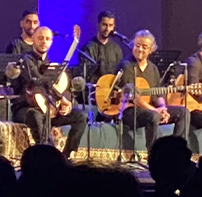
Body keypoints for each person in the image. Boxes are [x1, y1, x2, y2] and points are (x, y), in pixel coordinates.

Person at [12, 26, 88, 157]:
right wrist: (60, 98)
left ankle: (66, 155)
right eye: (40, 38)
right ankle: (46, 155)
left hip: (49, 109)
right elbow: (38, 81)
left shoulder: (52, 65)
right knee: (35, 115)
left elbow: (62, 87)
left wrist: (66, 102)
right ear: (33, 40)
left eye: (47, 39)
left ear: (51, 42)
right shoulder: (26, 60)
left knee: (81, 117)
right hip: (27, 108)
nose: (44, 42)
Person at [117, 30, 186, 160]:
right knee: (153, 116)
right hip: (130, 111)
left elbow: (157, 93)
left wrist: (163, 108)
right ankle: (153, 156)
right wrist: (156, 110)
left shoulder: (153, 68)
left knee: (184, 112)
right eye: (137, 45)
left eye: (144, 47)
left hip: (150, 109)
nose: (140, 49)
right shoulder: (126, 65)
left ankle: (176, 153)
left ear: (151, 50)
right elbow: (134, 97)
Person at [82, 10, 125, 81]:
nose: (107, 29)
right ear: (98, 25)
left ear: (114, 27)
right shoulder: (88, 48)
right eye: (104, 25)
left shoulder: (116, 49)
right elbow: (86, 75)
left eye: (110, 25)